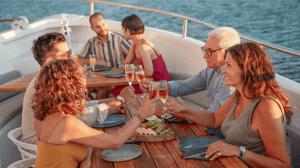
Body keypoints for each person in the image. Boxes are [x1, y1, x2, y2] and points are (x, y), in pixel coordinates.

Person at [166, 42, 292, 167]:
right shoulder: (239, 95)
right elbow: (214, 119)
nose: (223, 71)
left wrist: (239, 152)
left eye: (228, 65)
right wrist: (184, 110)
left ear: (246, 69)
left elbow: (282, 164)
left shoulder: (266, 107)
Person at [33, 59, 158, 167]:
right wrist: (141, 114)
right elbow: (115, 142)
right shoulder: (66, 123)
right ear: (71, 86)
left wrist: (86, 161)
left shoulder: (42, 116)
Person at [22, 32, 133, 146]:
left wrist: (111, 102)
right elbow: (81, 117)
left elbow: (76, 107)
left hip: (51, 138)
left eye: (69, 52)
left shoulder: (50, 79)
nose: (70, 57)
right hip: (38, 145)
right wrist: (119, 100)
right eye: (65, 54)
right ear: (49, 61)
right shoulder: (47, 85)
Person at [142, 27, 240, 138]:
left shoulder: (231, 80)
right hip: (207, 129)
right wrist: (158, 86)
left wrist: (180, 112)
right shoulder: (212, 70)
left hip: (220, 137)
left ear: (228, 52)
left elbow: (213, 118)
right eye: (205, 50)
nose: (204, 55)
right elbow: (187, 85)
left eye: (210, 51)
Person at [110, 14, 170, 97]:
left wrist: (131, 70)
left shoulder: (143, 47)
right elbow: (124, 66)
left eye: (122, 30)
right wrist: (132, 70)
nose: (122, 32)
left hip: (157, 85)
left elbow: (149, 72)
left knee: (118, 94)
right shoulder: (134, 45)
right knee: (114, 91)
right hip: (146, 82)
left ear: (127, 31)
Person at [77, 13, 132, 99]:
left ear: (106, 22)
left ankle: (100, 110)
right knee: (79, 90)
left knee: (102, 90)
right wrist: (95, 62)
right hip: (99, 80)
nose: (102, 28)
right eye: (98, 27)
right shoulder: (91, 43)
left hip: (117, 80)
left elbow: (134, 56)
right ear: (92, 28)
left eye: (103, 24)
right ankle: (93, 108)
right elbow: (78, 59)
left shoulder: (119, 39)